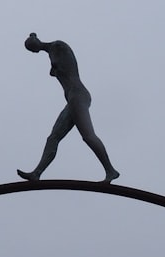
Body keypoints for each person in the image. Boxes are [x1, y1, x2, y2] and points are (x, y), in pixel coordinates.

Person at [17, 33, 120, 183]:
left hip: (78, 95)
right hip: (71, 99)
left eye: (33, 47)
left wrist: (54, 67)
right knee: (53, 137)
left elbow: (65, 64)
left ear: (36, 40)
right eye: (32, 51)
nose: (35, 51)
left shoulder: (58, 46)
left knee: (88, 135)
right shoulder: (51, 52)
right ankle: (36, 173)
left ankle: (110, 170)